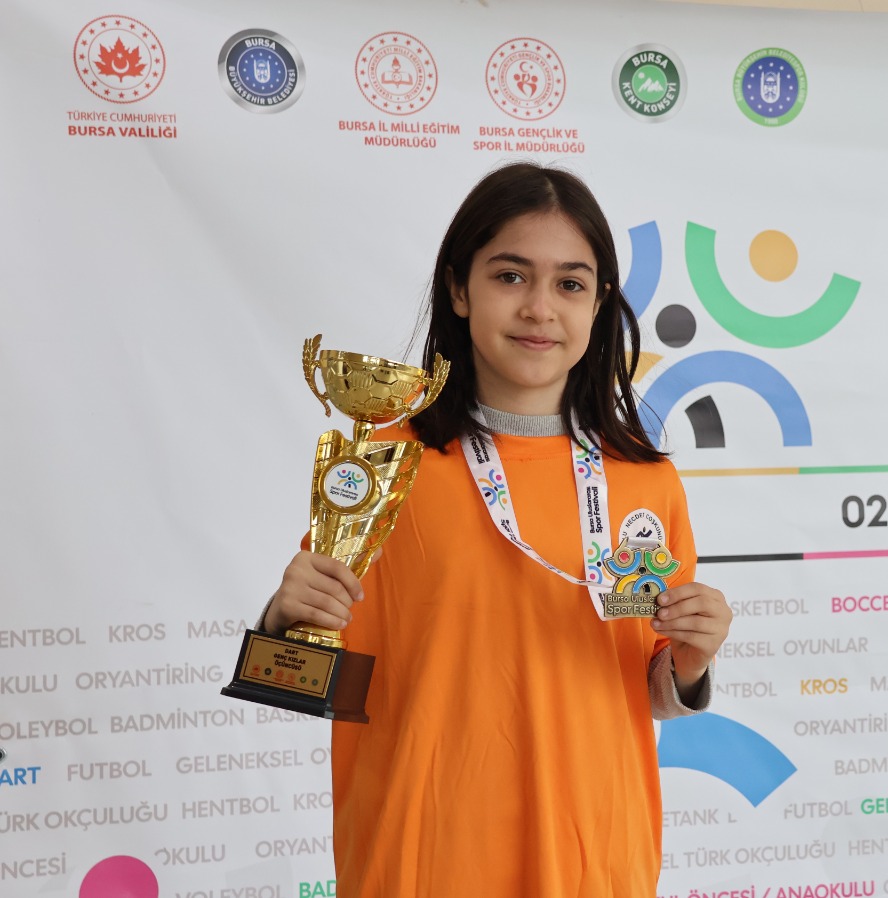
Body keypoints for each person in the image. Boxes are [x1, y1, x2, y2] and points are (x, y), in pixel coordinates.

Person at [258, 163, 733, 897]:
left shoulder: (646, 480)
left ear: (599, 303)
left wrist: (691, 663)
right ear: (459, 289)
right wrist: (282, 621)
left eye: (570, 284)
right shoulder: (385, 464)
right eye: (511, 276)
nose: (540, 308)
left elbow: (644, 689)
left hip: (593, 861)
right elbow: (307, 682)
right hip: (421, 859)